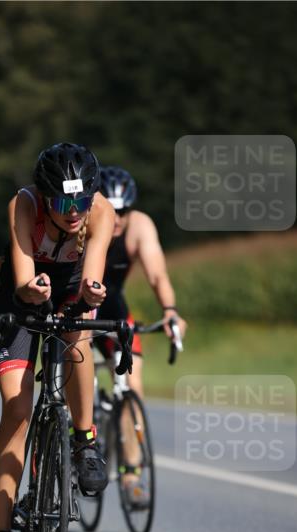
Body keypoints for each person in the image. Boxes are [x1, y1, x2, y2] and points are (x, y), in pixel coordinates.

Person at [0, 142, 115, 532]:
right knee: (17, 410)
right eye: (62, 203)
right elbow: (21, 279)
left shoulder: (101, 212)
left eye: (80, 201)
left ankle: (84, 440)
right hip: (23, 291)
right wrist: (30, 291)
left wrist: (93, 295)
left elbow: (93, 276)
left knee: (80, 335)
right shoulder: (23, 204)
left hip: (73, 284)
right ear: (44, 197)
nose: (73, 211)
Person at [97, 165, 188, 506]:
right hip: (76, 308)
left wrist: (170, 311)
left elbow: (157, 275)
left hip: (113, 310)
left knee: (132, 386)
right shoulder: (84, 222)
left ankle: (131, 476)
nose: (117, 218)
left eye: (124, 210)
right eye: (111, 208)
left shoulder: (139, 226)